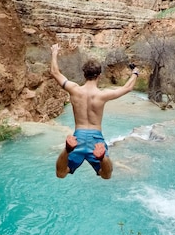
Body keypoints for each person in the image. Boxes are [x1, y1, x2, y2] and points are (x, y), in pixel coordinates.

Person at [49, 43, 140, 179]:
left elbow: (55, 73)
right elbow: (127, 88)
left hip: (78, 136)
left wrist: (54, 52)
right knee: (106, 175)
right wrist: (135, 73)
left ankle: (68, 150)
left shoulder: (74, 89)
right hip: (95, 137)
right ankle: (102, 157)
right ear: (99, 76)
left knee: (61, 173)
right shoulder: (102, 95)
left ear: (84, 74)